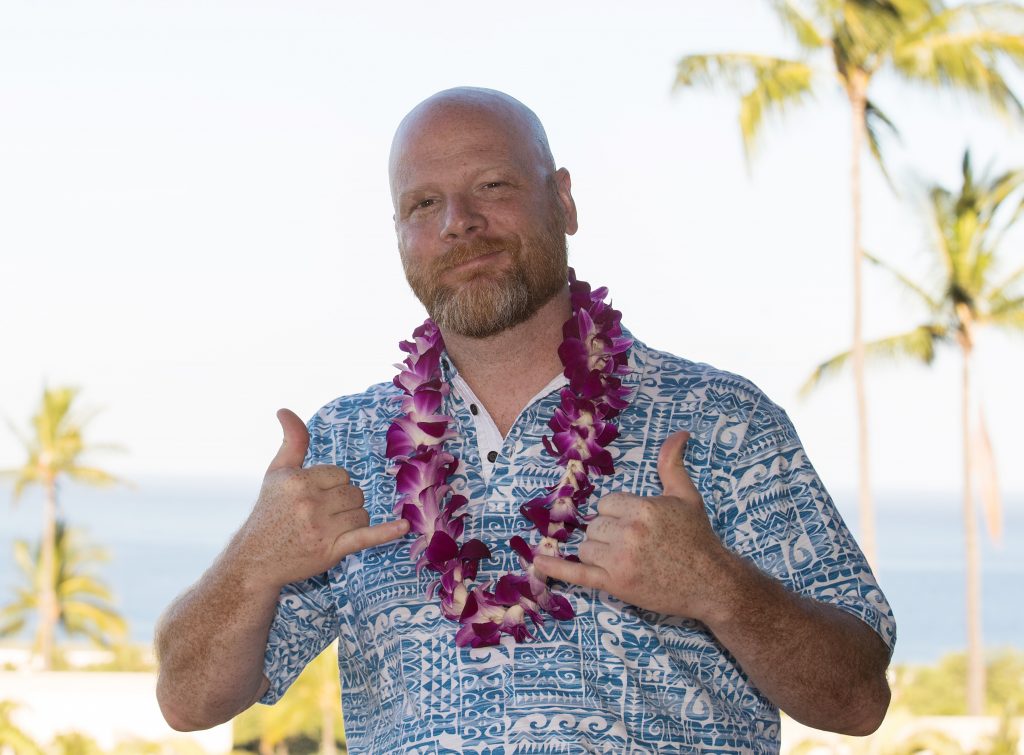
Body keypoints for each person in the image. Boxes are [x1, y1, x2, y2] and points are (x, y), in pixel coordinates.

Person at [155, 87, 896, 753]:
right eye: (423, 203)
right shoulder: (341, 446)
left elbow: (858, 699)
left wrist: (719, 588)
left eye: (493, 185)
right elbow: (188, 702)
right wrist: (252, 562)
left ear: (564, 201)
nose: (459, 222)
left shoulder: (720, 420)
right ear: (398, 233)